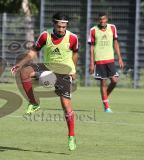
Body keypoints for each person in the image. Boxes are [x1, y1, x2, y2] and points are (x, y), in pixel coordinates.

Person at [11, 12, 79, 151]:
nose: (61, 29)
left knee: (66, 106)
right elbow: (33, 51)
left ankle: (71, 136)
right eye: (59, 26)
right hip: (48, 66)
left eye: (64, 26)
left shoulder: (72, 38)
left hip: (64, 71)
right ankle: (34, 103)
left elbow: (75, 53)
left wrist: (74, 70)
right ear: (54, 24)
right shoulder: (45, 35)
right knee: (25, 71)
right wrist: (20, 63)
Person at [88, 12, 124, 113]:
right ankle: (106, 106)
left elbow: (115, 43)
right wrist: (91, 63)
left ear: (107, 19)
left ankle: (104, 97)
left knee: (114, 81)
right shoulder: (93, 30)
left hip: (110, 59)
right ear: (98, 20)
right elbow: (91, 47)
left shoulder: (112, 28)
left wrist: (120, 58)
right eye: (100, 19)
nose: (102, 21)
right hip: (99, 60)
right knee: (103, 83)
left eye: (104, 19)